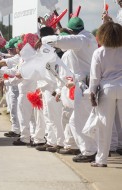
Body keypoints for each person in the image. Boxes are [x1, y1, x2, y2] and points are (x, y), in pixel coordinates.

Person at [42, 17, 98, 162]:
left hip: (83, 86)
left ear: (72, 32)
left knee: (78, 120)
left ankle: (89, 151)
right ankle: (92, 149)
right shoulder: (89, 37)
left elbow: (60, 41)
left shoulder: (81, 39)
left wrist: (44, 39)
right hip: (86, 84)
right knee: (82, 120)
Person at [89, 22, 122, 167]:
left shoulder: (99, 52)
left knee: (104, 126)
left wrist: (92, 92)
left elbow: (95, 77)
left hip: (106, 89)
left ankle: (101, 160)